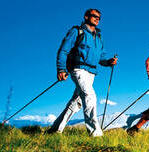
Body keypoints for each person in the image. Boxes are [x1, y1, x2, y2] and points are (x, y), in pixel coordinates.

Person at [47, 9, 117, 137]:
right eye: (94, 16)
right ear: (86, 17)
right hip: (78, 70)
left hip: (91, 73)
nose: (97, 19)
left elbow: (101, 57)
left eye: (99, 17)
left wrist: (109, 62)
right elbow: (63, 50)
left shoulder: (99, 37)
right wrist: (61, 69)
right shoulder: (77, 32)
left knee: (76, 102)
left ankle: (55, 129)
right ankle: (95, 133)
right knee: (90, 96)